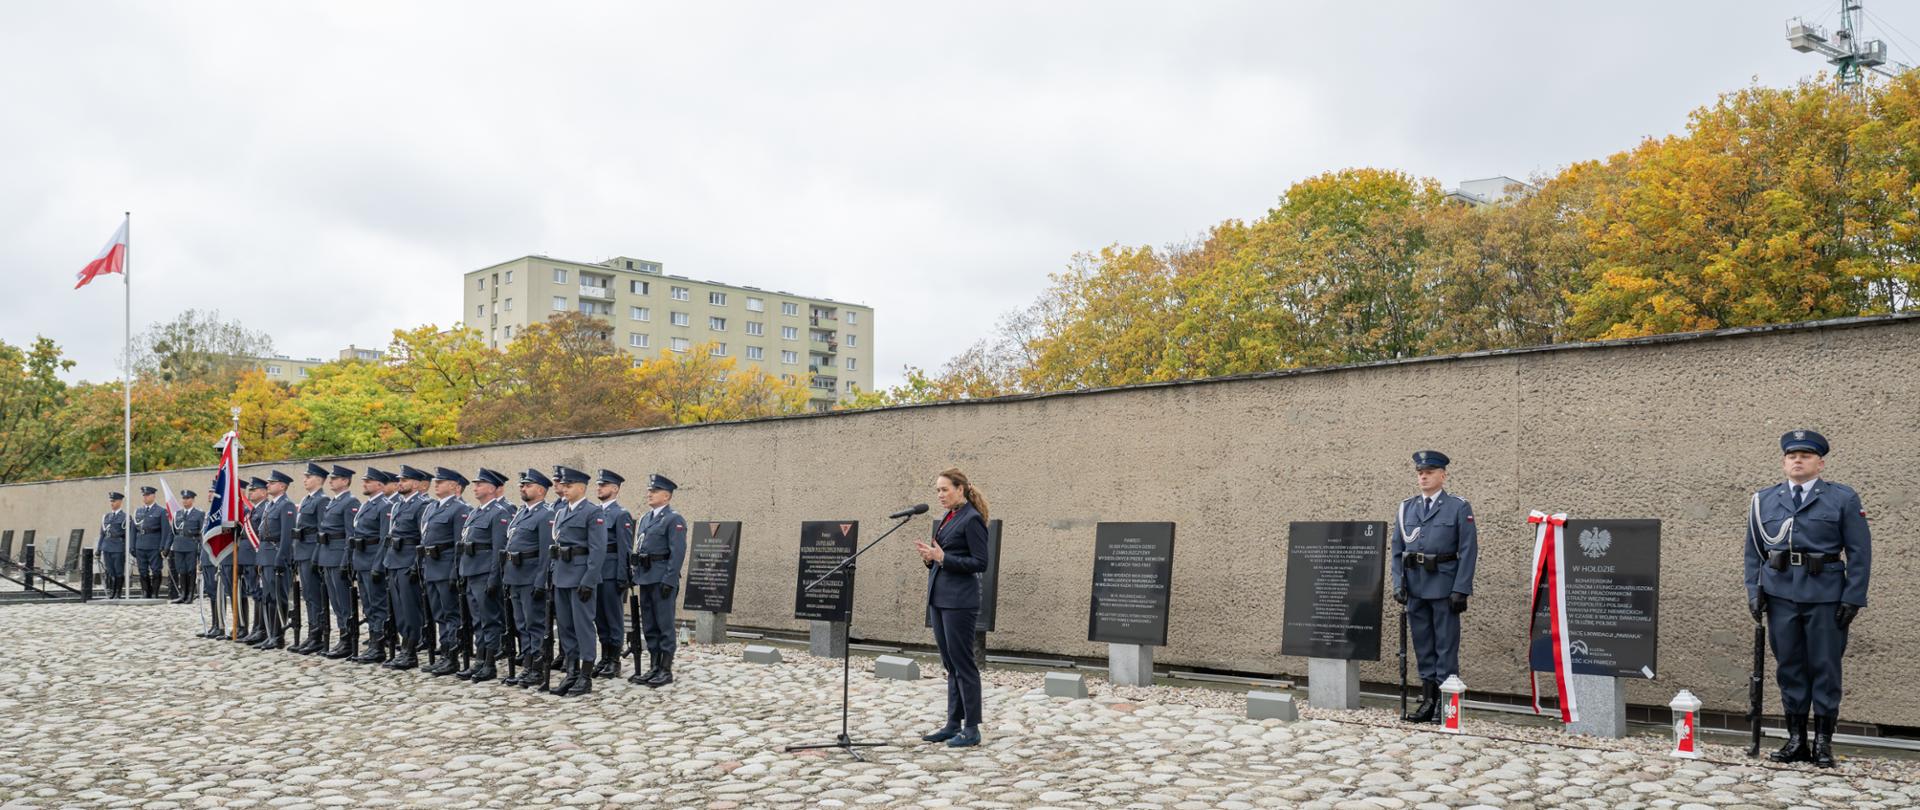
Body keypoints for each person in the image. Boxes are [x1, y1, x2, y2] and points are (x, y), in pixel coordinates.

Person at [1745, 429, 1872, 769]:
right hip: (1781, 595)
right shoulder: (1764, 500)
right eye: (1791, 456)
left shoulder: (1842, 499)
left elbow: (1859, 552)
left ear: (1820, 463)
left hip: (1826, 597)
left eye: (1805, 456)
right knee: (1789, 667)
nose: (1797, 460)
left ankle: (1823, 742)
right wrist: (1754, 592)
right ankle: (1796, 739)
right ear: (1784, 462)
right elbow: (1753, 553)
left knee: (1825, 668)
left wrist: (1853, 596)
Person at [1390, 450, 1478, 724]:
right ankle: (1427, 700)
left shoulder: (1458, 507)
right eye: (1420, 473)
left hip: (1444, 588)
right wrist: (1398, 584)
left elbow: (1468, 550)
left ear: (1443, 475)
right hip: (1415, 588)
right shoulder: (1407, 507)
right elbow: (1397, 549)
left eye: (1429, 472)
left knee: (1446, 646)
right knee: (1423, 645)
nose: (1423, 476)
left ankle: (1444, 703)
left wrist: (1461, 589)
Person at [915, 468, 992, 748]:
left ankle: (971, 729)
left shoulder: (972, 519)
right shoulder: (948, 518)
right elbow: (944, 555)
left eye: (944, 489)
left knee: (963, 664)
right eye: (937, 490)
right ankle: (952, 724)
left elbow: (980, 563)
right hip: (939, 598)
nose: (940, 495)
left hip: (960, 602)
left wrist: (944, 558)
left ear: (961, 489)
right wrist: (931, 558)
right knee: (950, 665)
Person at [547, 465, 607, 698]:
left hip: (581, 577)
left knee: (583, 627)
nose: (564, 489)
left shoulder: (593, 512)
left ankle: (585, 676)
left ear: (581, 487)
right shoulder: (561, 512)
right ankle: (571, 673)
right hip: (562, 575)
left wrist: (589, 581)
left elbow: (598, 550)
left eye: (569, 485)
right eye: (563, 485)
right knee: (566, 627)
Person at [629, 474, 687, 688]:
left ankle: (665, 668)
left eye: (654, 491)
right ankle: (654, 665)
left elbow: (677, 552)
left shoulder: (674, 519)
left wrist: (669, 579)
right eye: (649, 490)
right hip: (646, 577)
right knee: (650, 624)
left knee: (664, 624)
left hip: (662, 578)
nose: (649, 494)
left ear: (666, 495)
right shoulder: (646, 518)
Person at [457, 468, 512, 682]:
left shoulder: (499, 513)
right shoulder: (475, 512)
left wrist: (493, 578)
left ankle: (489, 664)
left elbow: (499, 550)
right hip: (470, 571)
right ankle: (480, 661)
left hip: (484, 573)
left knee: (490, 620)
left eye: (480, 484)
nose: (475, 487)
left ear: (491, 488)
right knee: (478, 620)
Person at [502, 468, 555, 687]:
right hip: (515, 575)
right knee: (521, 624)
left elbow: (546, 551)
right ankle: (528, 663)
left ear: (541, 490)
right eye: (522, 485)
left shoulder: (546, 514)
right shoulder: (521, 513)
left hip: (531, 576)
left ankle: (538, 667)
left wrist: (541, 581)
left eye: (528, 485)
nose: (523, 488)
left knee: (535, 624)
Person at [420, 467, 472, 677]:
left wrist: (454, 571)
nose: (436, 484)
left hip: (446, 567)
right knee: (438, 614)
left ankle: (453, 655)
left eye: (441, 482)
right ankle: (444, 654)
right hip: (431, 567)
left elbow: (458, 543)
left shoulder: (459, 509)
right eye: (436, 481)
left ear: (454, 485)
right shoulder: (432, 507)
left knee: (451, 614)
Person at [381, 465, 432, 670]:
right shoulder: (397, 505)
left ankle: (410, 651)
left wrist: (416, 565)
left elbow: (424, 538)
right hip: (394, 559)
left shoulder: (422, 505)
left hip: (409, 560)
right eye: (399, 480)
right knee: (399, 609)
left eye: (405, 480)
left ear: (417, 483)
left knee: (410, 609)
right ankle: (405, 647)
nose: (400, 483)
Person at [590, 470, 634, 680]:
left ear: (615, 489)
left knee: (613, 617)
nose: (599, 488)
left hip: (611, 573)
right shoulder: (594, 512)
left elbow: (625, 548)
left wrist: (622, 576)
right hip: (595, 573)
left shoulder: (621, 514)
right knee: (599, 617)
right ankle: (605, 657)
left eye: (604, 485)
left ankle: (614, 660)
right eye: (598, 485)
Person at [348, 469, 392, 664]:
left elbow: (385, 538)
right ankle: (374, 639)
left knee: (378, 604)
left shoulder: (384, 506)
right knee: (367, 605)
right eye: (364, 481)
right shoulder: (367, 505)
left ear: (380, 485)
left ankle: (379, 645)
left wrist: (378, 565)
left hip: (373, 559)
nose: (364, 484)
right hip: (361, 559)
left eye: (369, 481)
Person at [317, 465, 360, 659]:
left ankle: (348, 638)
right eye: (331, 478)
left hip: (338, 556)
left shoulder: (350, 502)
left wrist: (346, 561)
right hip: (327, 555)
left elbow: (350, 535)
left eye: (336, 478)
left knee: (343, 602)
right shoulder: (333, 502)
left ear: (345, 481)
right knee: (335, 601)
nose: (331, 481)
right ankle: (343, 635)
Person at [291, 463, 332, 655]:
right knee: (307, 596)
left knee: (315, 597)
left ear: (318, 479)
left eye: (308, 477)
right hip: (302, 552)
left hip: (312, 553)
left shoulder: (321, 500)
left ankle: (318, 635)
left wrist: (316, 556)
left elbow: (321, 531)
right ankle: (312, 631)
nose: (305, 480)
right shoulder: (307, 500)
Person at [255, 471, 297, 650]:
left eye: (272, 483)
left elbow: (287, 535)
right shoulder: (270, 506)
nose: (268, 485)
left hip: (276, 553)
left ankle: (278, 635)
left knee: (278, 596)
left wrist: (282, 556)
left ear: (282, 486)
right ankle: (270, 634)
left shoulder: (286, 505)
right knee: (268, 597)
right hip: (265, 554)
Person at [132, 486, 173, 599]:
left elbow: (165, 531)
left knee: (156, 570)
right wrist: (132, 546)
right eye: (144, 495)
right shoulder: (138, 511)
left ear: (153, 496)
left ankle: (155, 593)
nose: (145, 497)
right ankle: (145, 592)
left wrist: (163, 547)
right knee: (142, 570)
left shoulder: (161, 511)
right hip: (140, 545)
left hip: (154, 545)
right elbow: (133, 530)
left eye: (147, 495)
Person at [170, 491, 205, 604]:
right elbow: (174, 531)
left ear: (193, 500)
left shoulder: (199, 514)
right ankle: (183, 594)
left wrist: (201, 548)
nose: (185, 500)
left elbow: (201, 533)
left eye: (188, 498)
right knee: (181, 570)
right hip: (179, 545)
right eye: (183, 498)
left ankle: (190, 594)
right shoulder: (177, 514)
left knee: (190, 570)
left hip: (191, 544)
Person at [98, 492, 128, 600]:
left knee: (118, 571)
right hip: (107, 546)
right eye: (111, 501)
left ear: (120, 502)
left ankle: (118, 593)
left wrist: (127, 548)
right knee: (110, 571)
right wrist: (99, 548)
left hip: (118, 547)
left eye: (114, 501)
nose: (112, 503)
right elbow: (102, 534)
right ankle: (111, 592)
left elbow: (127, 535)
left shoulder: (125, 517)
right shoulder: (106, 517)